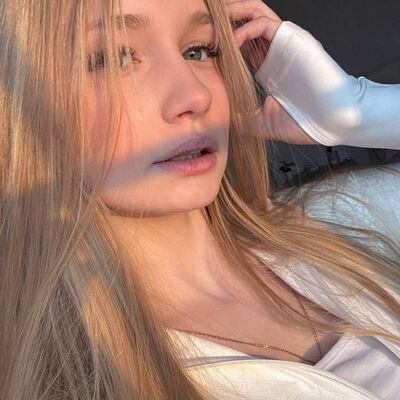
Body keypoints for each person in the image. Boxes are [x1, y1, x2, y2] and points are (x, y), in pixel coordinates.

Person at [0, 1, 398, 400]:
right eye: (111, 57)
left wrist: (361, 113)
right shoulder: (84, 380)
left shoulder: (342, 222)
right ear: (15, 104)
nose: (195, 95)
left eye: (198, 51)